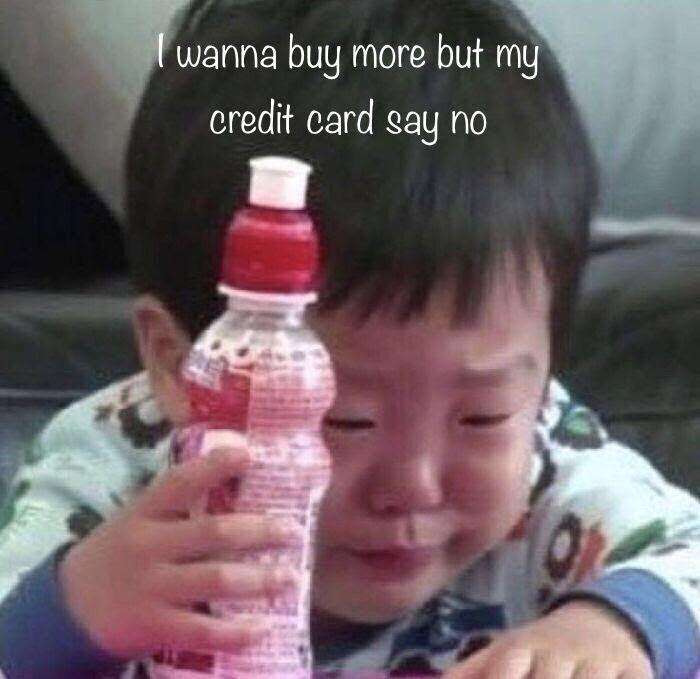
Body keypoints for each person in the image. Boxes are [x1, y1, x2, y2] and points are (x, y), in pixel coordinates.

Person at [1, 0, 699, 677]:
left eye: (482, 416)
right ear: (182, 366)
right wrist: (73, 611)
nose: (412, 487)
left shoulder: (547, 466)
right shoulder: (111, 475)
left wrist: (614, 624)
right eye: (346, 419)